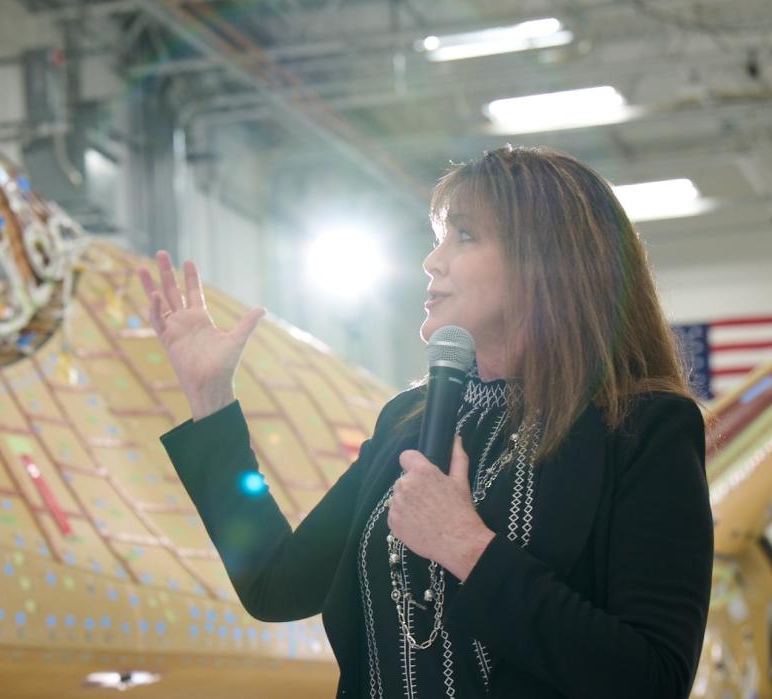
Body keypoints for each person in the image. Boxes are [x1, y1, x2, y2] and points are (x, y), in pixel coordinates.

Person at [137, 145, 713, 698]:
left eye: (464, 236)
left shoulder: (642, 428)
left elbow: (653, 677)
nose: (431, 261)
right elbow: (273, 584)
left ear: (548, 261)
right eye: (438, 239)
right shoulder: (405, 424)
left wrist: (466, 547)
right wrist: (212, 398)